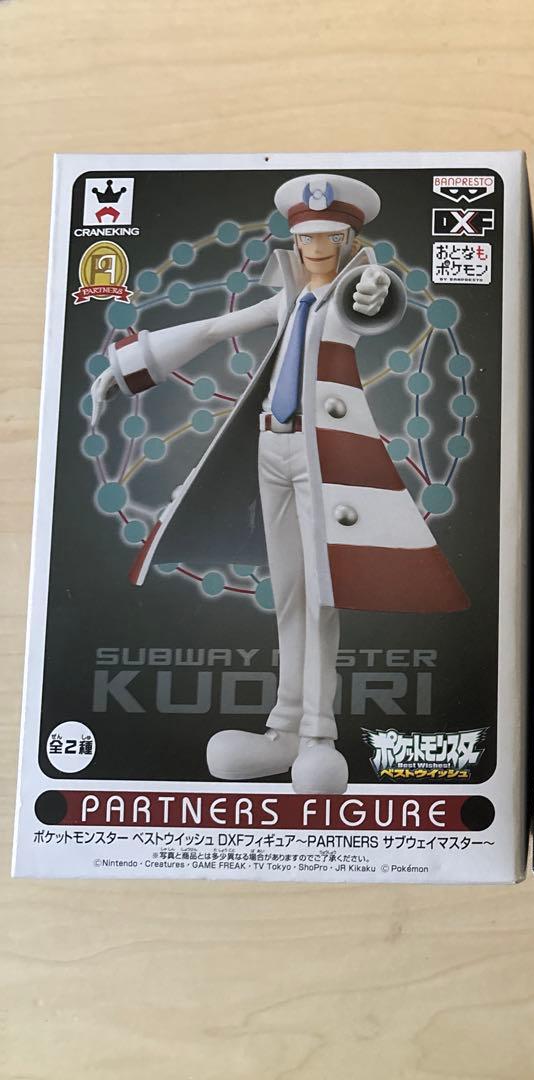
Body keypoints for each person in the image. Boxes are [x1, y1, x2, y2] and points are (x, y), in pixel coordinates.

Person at [91, 173, 468, 794]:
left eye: (330, 237)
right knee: (290, 592)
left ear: (350, 243)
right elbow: (213, 328)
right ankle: (284, 729)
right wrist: (129, 366)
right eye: (306, 237)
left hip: (325, 456)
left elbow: (369, 303)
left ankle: (318, 735)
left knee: (322, 593)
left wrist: (374, 289)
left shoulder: (348, 291)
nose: (316, 248)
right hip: (272, 447)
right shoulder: (290, 298)